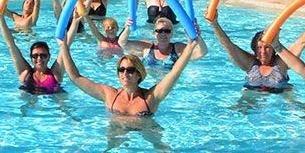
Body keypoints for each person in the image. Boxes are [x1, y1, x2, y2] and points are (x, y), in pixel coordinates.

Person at [60, 31, 207, 118]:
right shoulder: (109, 94)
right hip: (117, 131)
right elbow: (75, 77)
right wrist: (63, 47)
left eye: (130, 70)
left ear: (139, 74)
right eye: (121, 70)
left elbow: (175, 72)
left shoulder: (151, 97)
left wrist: (191, 45)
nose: (125, 73)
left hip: (147, 130)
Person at [207, 16, 305, 92]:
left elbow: (301, 42)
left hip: (278, 103)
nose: (262, 52)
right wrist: (214, 23)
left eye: (267, 47)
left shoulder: (281, 63)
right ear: (255, 50)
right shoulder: (249, 64)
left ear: (273, 48)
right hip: (251, 103)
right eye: (259, 47)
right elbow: (227, 44)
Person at [0, 8, 73, 95]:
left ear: (49, 57)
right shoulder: (25, 72)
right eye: (35, 56)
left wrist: (75, 22)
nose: (39, 59)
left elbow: (66, 46)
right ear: (31, 58)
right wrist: (0, 18)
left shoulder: (55, 73)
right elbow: (11, 45)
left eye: (43, 55)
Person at [122, 16, 187, 68]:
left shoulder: (177, 49)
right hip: (148, 83)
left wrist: (195, 36)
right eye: (159, 31)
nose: (163, 34)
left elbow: (197, 54)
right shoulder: (147, 48)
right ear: (154, 34)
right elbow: (123, 44)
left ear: (172, 34)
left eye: (167, 31)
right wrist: (127, 28)